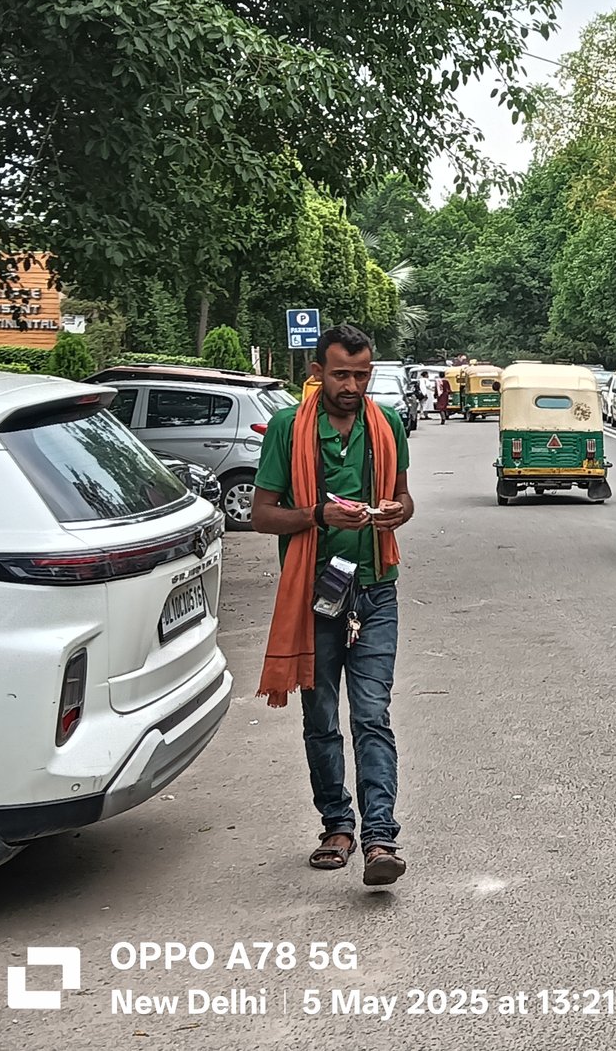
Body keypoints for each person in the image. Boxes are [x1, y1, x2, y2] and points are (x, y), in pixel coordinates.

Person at [249, 324, 414, 888]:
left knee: (372, 715)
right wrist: (319, 515)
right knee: (320, 719)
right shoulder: (286, 428)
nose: (352, 385)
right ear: (317, 371)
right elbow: (262, 514)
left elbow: (406, 496)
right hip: (315, 594)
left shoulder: (387, 425)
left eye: (362, 374)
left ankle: (380, 838)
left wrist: (396, 511)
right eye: (341, 373)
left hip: (375, 590)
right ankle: (337, 826)